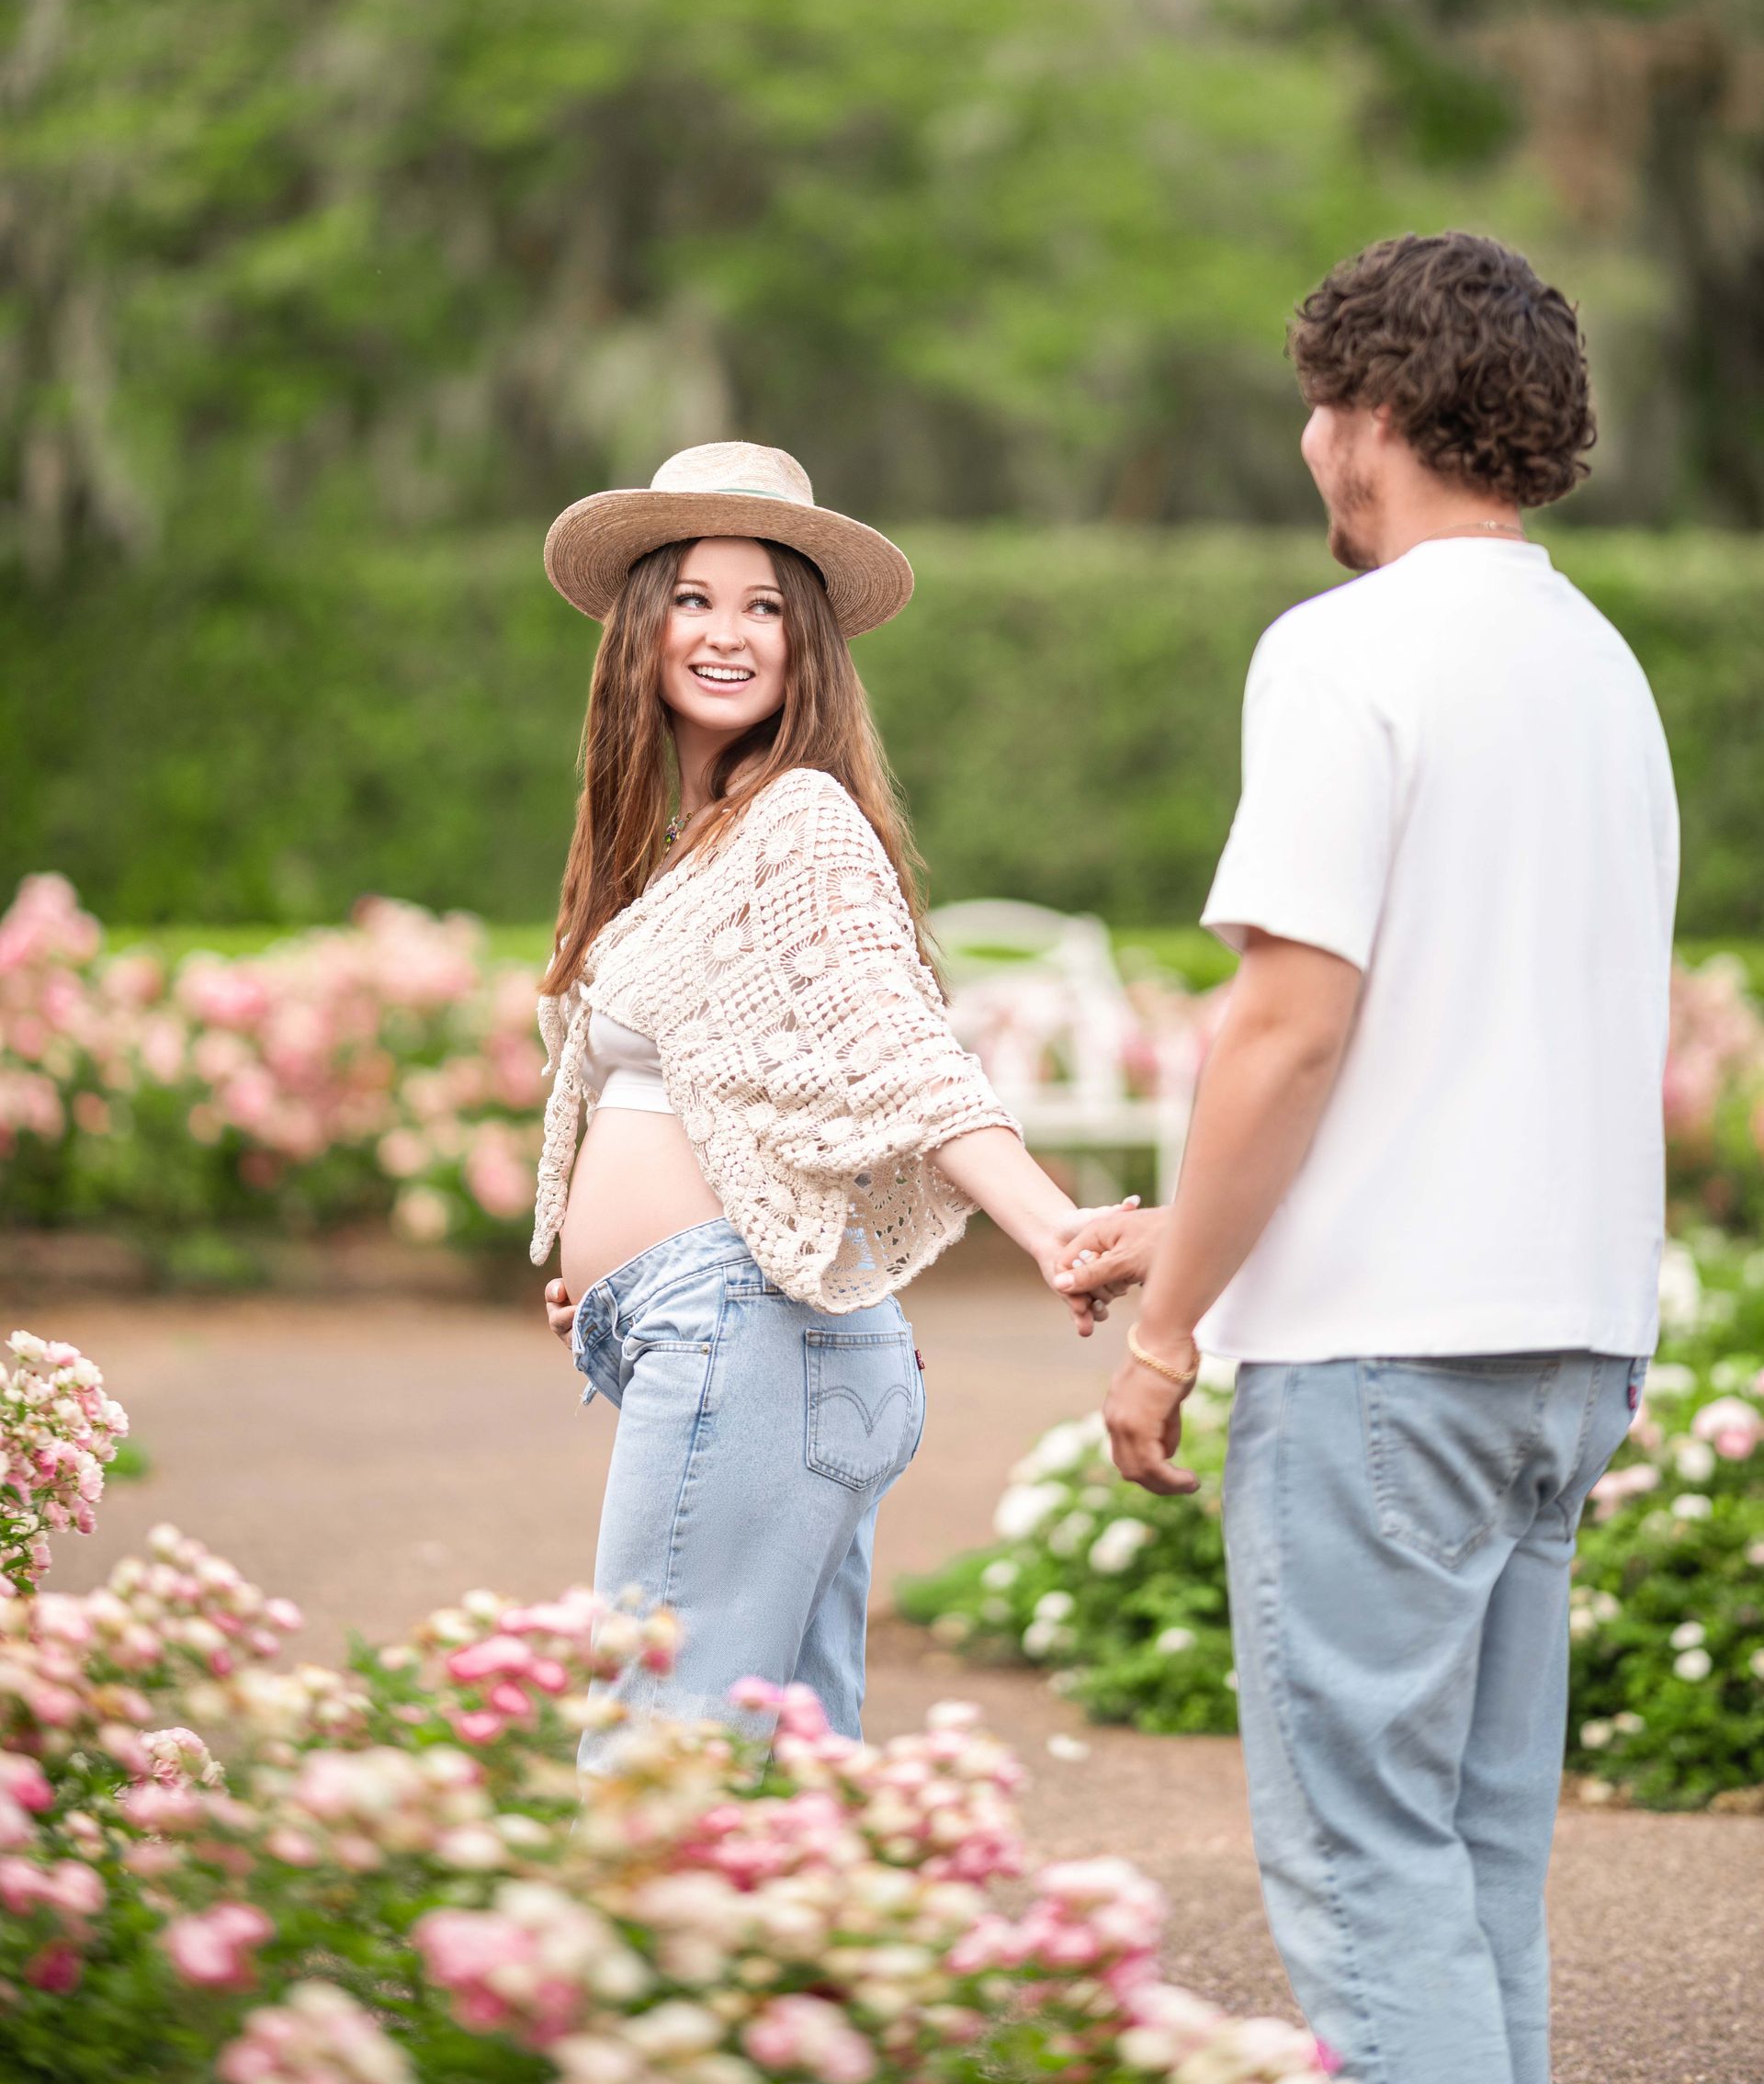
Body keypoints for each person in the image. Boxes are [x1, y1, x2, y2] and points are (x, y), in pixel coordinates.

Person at [1057, 233, 1679, 2084]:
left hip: (1384, 1369)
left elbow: (1292, 1025)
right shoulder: (1603, 669)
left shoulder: (1345, 650)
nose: (1312, 449)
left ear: (1378, 417)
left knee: (1359, 1868)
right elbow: (1484, 1047)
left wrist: (1171, 1330)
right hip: (1566, 1346)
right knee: (1475, 1864)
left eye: (1319, 410)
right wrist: (1202, 1231)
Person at [532, 439, 1099, 1759]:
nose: (728, 635)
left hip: (757, 1337)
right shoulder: (693, 842)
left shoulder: (798, 822)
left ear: (807, 646)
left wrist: (1050, 1225)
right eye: (694, 598)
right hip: (739, 1333)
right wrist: (601, 1267)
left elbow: (900, 1054)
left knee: (655, 1754)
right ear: (640, 626)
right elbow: (718, 1099)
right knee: (792, 1779)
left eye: (765, 606)